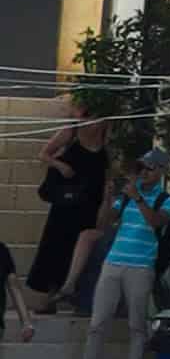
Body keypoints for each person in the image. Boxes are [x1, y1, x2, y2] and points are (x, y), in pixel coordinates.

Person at [77, 156, 170, 359]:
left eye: (150, 168)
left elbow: (155, 222)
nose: (144, 173)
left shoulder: (166, 200)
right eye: (141, 168)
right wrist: (108, 198)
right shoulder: (128, 196)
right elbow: (103, 222)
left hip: (141, 266)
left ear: (161, 171)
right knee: (97, 322)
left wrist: (138, 198)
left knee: (136, 324)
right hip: (113, 262)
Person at [27, 117, 106, 305]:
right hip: (67, 200)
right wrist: (60, 166)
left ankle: (73, 293)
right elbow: (43, 155)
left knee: (78, 248)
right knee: (56, 247)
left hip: (90, 201)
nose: (95, 124)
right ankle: (49, 297)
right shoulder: (71, 131)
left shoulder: (106, 138)